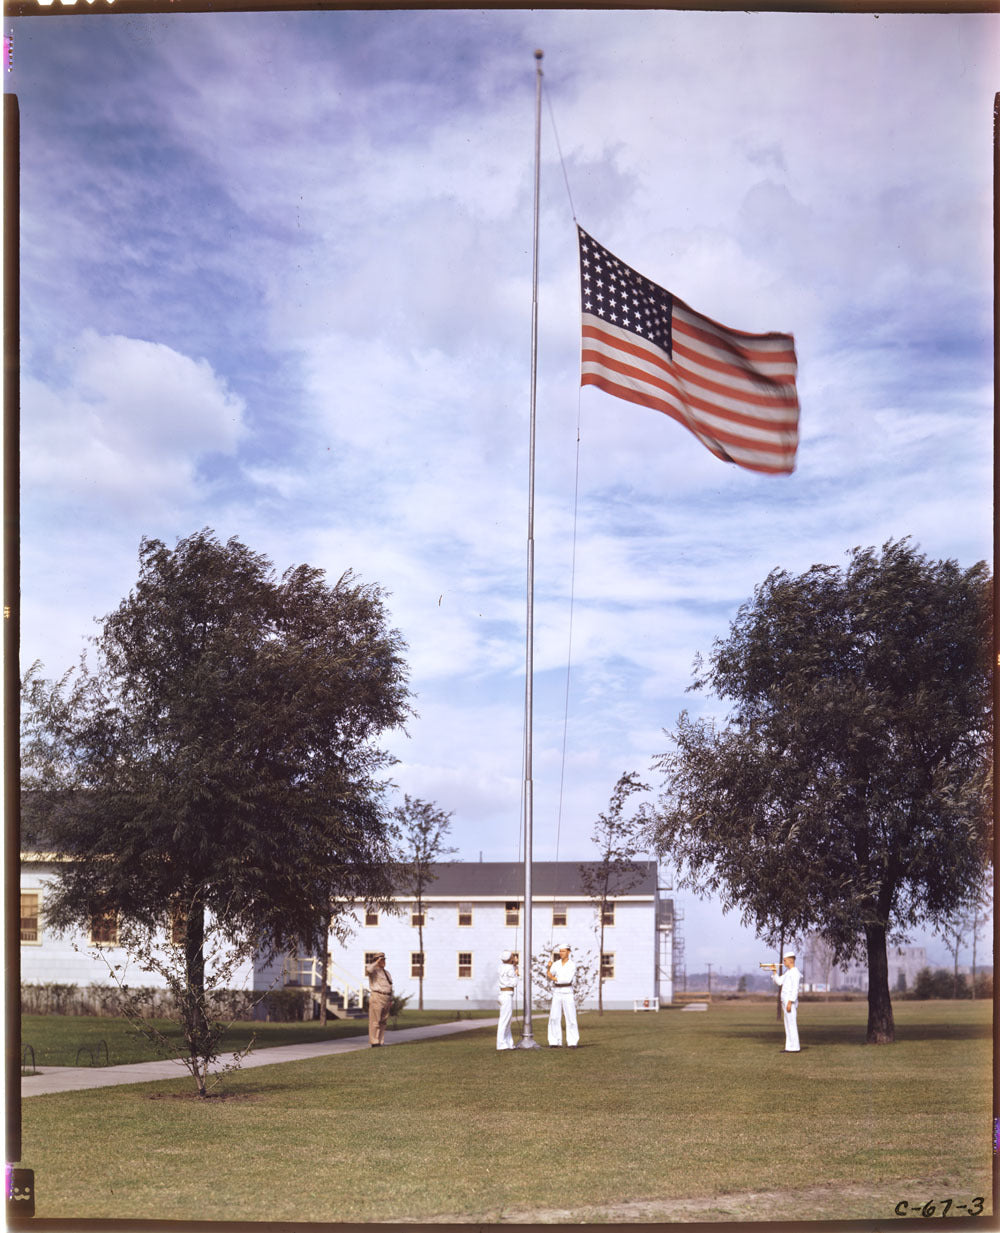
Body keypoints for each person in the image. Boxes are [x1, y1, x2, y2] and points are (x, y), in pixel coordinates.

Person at [546, 941, 579, 1048]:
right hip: (557, 991)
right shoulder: (556, 964)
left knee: (571, 1017)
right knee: (554, 1017)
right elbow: (549, 975)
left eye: (563, 951)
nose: (561, 953)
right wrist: (548, 967)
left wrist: (553, 977)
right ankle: (554, 1041)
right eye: (560, 951)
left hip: (567, 991)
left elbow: (566, 979)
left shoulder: (572, 965)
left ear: (568, 952)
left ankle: (572, 1041)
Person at [769, 952, 802, 1052]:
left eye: (785, 960)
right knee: (787, 1024)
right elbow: (779, 982)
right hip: (785, 1001)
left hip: (789, 1002)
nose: (784, 962)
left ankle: (795, 1047)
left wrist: (790, 1002)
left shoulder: (795, 972)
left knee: (791, 1024)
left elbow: (795, 989)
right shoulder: (788, 972)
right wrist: (774, 972)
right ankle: (789, 1047)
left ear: (791, 960)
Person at [365, 951, 393, 1047]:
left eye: (384, 959)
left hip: (386, 997)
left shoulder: (387, 973)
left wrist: (390, 999)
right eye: (381, 959)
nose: (383, 961)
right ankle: (374, 1041)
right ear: (376, 960)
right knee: (375, 1021)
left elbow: (389, 986)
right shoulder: (374, 971)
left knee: (383, 1021)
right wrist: (376, 962)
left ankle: (380, 1040)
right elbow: (368, 970)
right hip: (377, 996)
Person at [497, 949, 519, 1050]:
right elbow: (514, 983)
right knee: (505, 1020)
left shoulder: (501, 967)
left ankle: (508, 1043)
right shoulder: (510, 968)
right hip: (506, 994)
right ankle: (501, 1044)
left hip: (503, 994)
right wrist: (516, 973)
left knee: (507, 1020)